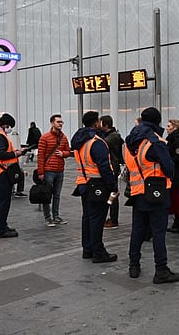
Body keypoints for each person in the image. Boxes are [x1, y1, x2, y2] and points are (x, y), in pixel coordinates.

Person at [124, 107, 179, 283]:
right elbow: (169, 168)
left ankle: (134, 265)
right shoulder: (155, 142)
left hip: (136, 191)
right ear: (157, 121)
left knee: (137, 231)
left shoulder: (130, 141)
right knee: (158, 232)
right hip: (156, 192)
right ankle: (161, 270)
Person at [71, 111, 118, 263]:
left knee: (87, 218)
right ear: (96, 123)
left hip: (83, 183)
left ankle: (88, 249)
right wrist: (113, 186)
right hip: (98, 184)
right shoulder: (96, 142)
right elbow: (105, 167)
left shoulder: (80, 141)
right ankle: (98, 252)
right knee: (97, 219)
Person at [0, 113, 26, 238]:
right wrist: (16, 154)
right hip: (1, 173)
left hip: (1, 172)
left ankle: (2, 225)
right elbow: (0, 154)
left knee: (2, 202)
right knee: (3, 202)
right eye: (9, 126)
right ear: (4, 125)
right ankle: (0, 230)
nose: (9, 129)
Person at [37, 114, 71, 227]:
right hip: (48, 171)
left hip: (59, 170)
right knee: (47, 194)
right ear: (52, 123)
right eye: (58, 122)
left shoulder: (64, 137)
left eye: (61, 122)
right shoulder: (44, 137)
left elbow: (68, 151)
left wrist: (63, 153)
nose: (60, 124)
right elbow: (40, 156)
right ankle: (48, 218)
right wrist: (40, 172)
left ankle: (56, 216)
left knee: (57, 194)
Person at [100, 115, 124, 229]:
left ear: (105, 125)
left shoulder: (113, 137)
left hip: (113, 167)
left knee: (113, 193)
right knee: (111, 192)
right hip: (112, 166)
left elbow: (102, 144)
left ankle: (114, 219)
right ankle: (111, 217)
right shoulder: (111, 135)